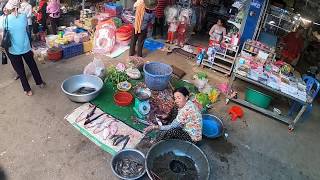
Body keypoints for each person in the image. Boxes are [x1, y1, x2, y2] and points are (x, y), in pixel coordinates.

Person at [0, 0, 45, 96]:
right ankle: (40, 82)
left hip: (13, 49)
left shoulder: (4, 19)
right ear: (17, 7)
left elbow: (2, 32)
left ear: (8, 8)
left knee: (20, 70)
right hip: (25, 47)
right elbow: (24, 26)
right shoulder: (23, 17)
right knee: (32, 65)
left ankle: (27, 90)